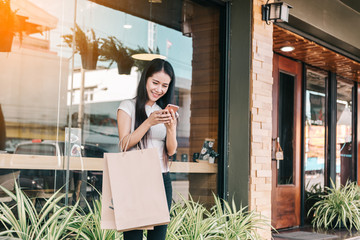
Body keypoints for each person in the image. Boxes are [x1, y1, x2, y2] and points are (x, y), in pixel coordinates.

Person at [117, 58, 177, 240]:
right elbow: (124, 145)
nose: (159, 89)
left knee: (158, 237)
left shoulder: (164, 111)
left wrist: (171, 129)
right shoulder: (127, 106)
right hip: (136, 177)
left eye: (165, 85)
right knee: (133, 236)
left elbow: (171, 151)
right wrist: (148, 122)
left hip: (162, 178)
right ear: (145, 80)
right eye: (155, 82)